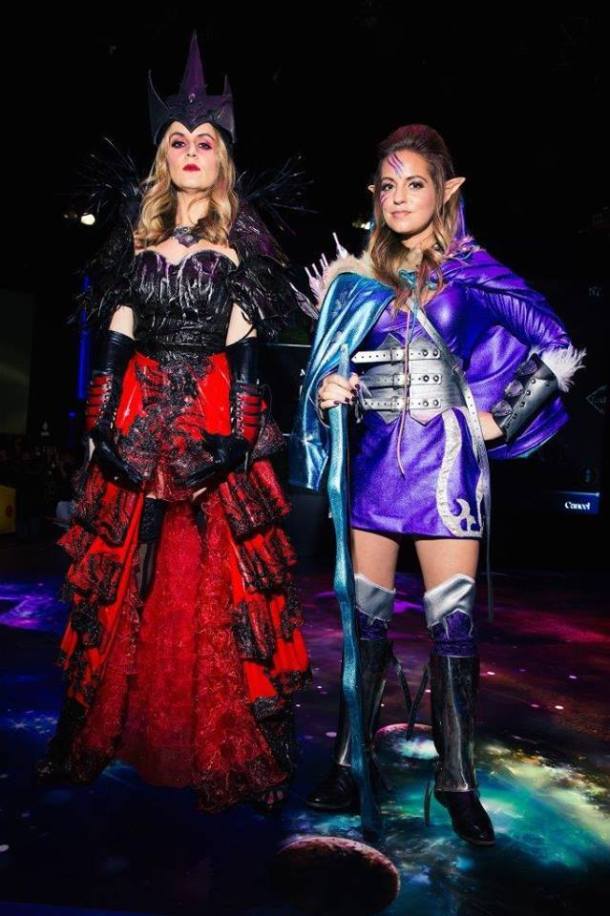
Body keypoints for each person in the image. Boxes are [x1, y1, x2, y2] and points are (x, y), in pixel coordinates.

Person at [36, 33, 310, 814]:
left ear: (223, 159)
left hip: (213, 410)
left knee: (228, 580)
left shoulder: (244, 237)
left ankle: (248, 748)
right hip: (141, 408)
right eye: (179, 140)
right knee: (118, 574)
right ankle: (82, 737)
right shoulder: (135, 233)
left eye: (206, 141)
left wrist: (236, 440)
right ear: (164, 155)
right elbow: (115, 338)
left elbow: (247, 347)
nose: (192, 151)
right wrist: (100, 433)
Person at [290, 124, 584, 844]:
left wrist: (499, 421)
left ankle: (458, 779)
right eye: (387, 185)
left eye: (414, 183)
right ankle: (350, 763)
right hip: (372, 467)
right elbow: (333, 362)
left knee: (452, 625)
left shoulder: (474, 269)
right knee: (363, 624)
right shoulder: (356, 279)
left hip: (446, 469)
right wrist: (330, 388)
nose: (398, 197)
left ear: (446, 191)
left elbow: (557, 345)